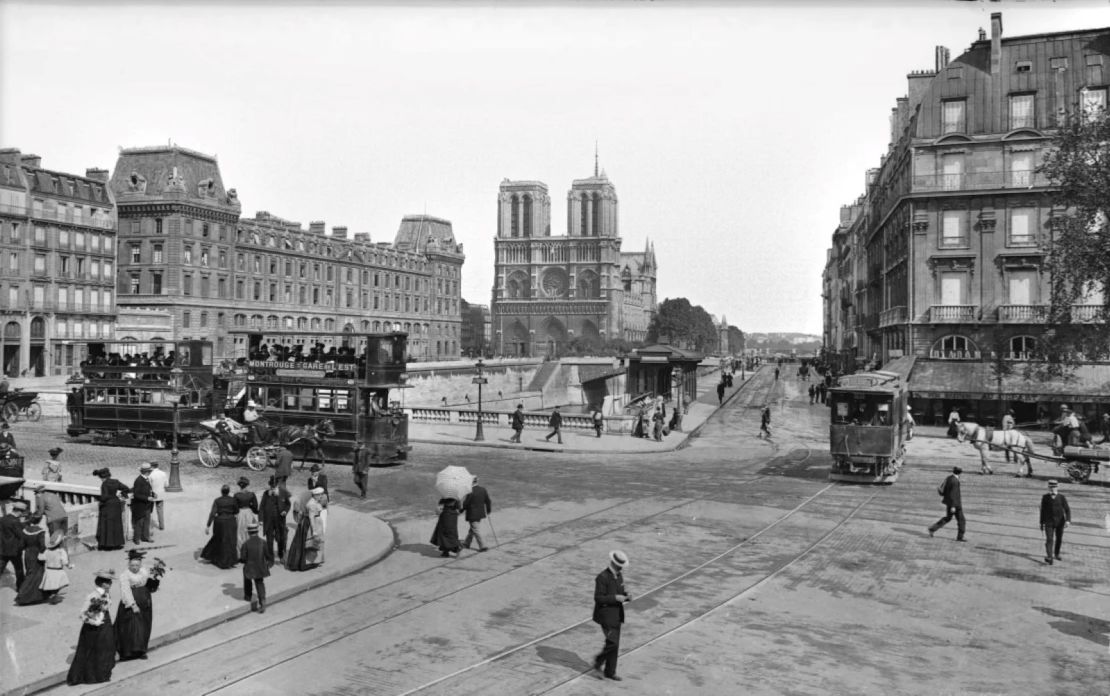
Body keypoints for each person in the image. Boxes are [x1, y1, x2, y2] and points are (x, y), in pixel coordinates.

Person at [66, 569, 117, 686]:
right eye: (107, 582)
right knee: (95, 650)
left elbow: (106, 608)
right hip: (94, 627)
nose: (110, 584)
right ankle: (92, 676)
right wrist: (94, 622)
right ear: (100, 583)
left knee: (108, 648)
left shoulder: (107, 593)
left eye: (110, 582)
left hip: (106, 623)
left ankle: (103, 673)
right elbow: (83, 614)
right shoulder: (92, 596)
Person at [592, 550, 630, 682]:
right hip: (606, 616)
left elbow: (620, 592)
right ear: (614, 564)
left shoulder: (619, 576)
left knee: (615, 644)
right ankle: (598, 662)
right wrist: (615, 597)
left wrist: (626, 596)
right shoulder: (602, 577)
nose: (621, 568)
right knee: (612, 643)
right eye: (620, 565)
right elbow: (598, 598)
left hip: (617, 615)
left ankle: (610, 671)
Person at [116, 549, 154, 660]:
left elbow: (147, 584)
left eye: (137, 565)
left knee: (144, 627)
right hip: (132, 604)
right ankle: (128, 652)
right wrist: (133, 605)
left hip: (145, 602)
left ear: (140, 564)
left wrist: (154, 584)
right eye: (132, 565)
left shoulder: (144, 571)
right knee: (132, 628)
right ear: (129, 564)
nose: (134, 567)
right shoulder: (125, 575)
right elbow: (126, 591)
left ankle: (142, 650)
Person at [201, 484, 239, 569]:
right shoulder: (233, 500)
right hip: (230, 521)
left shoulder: (217, 500)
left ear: (221, 492)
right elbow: (236, 510)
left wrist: (208, 525)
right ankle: (230, 560)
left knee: (218, 539)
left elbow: (212, 513)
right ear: (228, 491)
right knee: (231, 540)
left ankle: (218, 558)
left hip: (220, 521)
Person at [94, 468, 130, 551]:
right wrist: (122, 494)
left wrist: (99, 499)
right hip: (116, 504)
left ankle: (108, 545)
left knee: (107, 524)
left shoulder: (104, 484)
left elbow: (105, 497)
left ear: (102, 477)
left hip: (108, 506)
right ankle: (117, 543)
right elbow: (126, 488)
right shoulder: (116, 481)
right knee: (117, 524)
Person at [240, 522, 273, 613]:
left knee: (246, 576)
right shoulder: (263, 542)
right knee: (259, 583)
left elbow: (243, 558)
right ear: (257, 532)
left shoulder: (245, 544)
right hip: (260, 567)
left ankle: (248, 596)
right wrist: (268, 564)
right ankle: (262, 602)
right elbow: (268, 555)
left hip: (250, 568)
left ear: (249, 533)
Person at [15, 514, 46, 605]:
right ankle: (24, 596)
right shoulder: (40, 532)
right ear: (39, 521)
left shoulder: (25, 530)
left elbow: (21, 545)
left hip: (28, 554)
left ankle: (31, 596)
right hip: (37, 554)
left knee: (30, 573)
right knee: (37, 574)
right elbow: (42, 546)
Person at [928, 467, 966, 542]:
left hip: (949, 502)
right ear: (960, 473)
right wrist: (953, 506)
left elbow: (942, 490)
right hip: (955, 504)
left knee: (948, 518)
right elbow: (953, 494)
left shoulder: (949, 478)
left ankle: (933, 528)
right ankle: (960, 537)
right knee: (961, 520)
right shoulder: (955, 481)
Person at [259, 476, 291, 562]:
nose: (273, 488)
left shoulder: (282, 492)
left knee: (280, 538)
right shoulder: (266, 494)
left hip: (279, 519)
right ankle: (270, 559)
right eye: (271, 487)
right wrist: (261, 520)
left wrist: (285, 511)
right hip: (268, 520)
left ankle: (281, 555)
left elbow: (288, 504)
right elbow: (261, 507)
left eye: (275, 487)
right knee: (269, 540)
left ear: (277, 485)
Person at [1040, 479, 1071, 565]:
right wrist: (1041, 523)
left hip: (1060, 523)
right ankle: (1049, 557)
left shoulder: (1061, 497)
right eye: (1051, 487)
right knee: (1049, 539)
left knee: (1059, 539)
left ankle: (1056, 554)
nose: (1053, 489)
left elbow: (1067, 510)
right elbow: (1042, 511)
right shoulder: (1045, 497)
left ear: (1057, 487)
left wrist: (1068, 520)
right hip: (1048, 522)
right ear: (1048, 488)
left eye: (1054, 487)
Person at [38, 530, 71, 604]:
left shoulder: (47, 551)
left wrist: (40, 551)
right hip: (58, 571)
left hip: (49, 571)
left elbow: (40, 558)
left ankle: (52, 594)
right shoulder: (61, 551)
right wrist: (69, 565)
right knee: (60, 584)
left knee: (51, 584)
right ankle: (54, 595)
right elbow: (65, 562)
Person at [0, 500, 26, 590]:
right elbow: (21, 535)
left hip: (3, 549)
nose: (22, 515)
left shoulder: (2, 519)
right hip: (15, 550)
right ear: (19, 511)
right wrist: (23, 524)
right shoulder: (16, 522)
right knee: (19, 570)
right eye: (22, 513)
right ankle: (21, 588)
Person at [461, 477, 491, 552]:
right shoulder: (483, 489)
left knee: (475, 529)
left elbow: (466, 504)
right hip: (480, 513)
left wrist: (461, 510)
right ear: (477, 481)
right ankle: (466, 543)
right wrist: (488, 510)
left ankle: (482, 546)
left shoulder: (470, 491)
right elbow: (488, 501)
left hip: (472, 514)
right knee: (473, 529)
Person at [130, 463, 156, 544]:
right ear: (147, 472)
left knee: (147, 522)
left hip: (147, 505)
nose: (151, 472)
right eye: (150, 471)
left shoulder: (146, 479)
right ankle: (136, 539)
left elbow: (148, 490)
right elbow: (136, 494)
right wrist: (147, 498)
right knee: (139, 523)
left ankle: (146, 537)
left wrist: (153, 494)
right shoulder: (138, 480)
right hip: (140, 506)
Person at [233, 476, 259, 554]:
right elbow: (255, 507)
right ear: (247, 485)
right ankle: (249, 552)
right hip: (248, 513)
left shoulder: (236, 495)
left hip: (240, 513)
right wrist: (251, 507)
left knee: (239, 533)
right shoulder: (251, 494)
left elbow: (234, 507)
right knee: (250, 532)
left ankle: (240, 553)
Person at [148, 461, 168, 531]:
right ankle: (161, 526)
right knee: (160, 510)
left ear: (151, 466)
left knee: (149, 510)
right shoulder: (163, 473)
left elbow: (149, 486)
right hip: (161, 494)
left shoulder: (150, 475)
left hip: (152, 494)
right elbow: (166, 485)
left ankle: (149, 525)